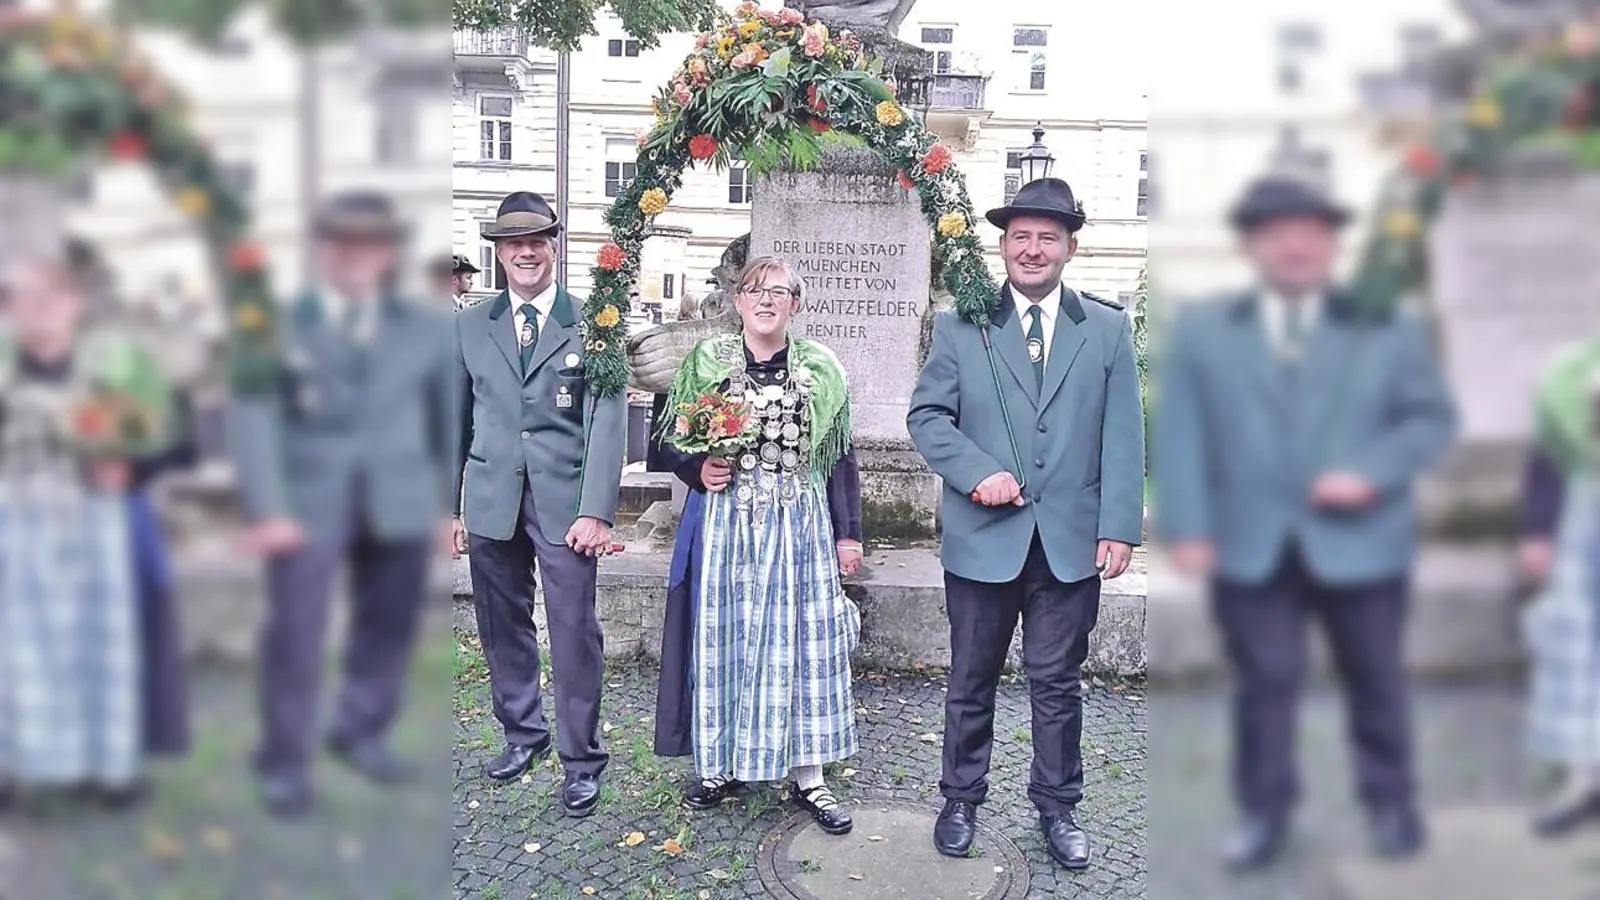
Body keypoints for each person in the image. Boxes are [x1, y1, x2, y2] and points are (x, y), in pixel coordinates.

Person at [1152, 174, 1457, 870]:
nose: (1295, 246)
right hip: (1250, 542)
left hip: (1364, 541)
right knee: (1265, 683)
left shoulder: (1387, 325)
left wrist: (1371, 472)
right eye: (1277, 233)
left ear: (1332, 244)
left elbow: (1430, 420)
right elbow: (1182, 433)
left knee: (1375, 676)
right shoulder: (1204, 331)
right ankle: (1264, 812)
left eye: (1311, 232)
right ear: (1251, 245)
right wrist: (1188, 526)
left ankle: (1390, 801)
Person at [907, 178, 1144, 871]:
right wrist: (976, 471)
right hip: (984, 541)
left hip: (1069, 544)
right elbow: (927, 417)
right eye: (1021, 237)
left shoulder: (1106, 330)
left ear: (1070, 247)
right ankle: (960, 799)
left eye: (1048, 237)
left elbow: (1123, 435)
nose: (1033, 249)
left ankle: (1058, 806)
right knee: (970, 678)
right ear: (1003, 245)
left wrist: (1119, 525)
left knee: (1058, 684)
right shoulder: (961, 326)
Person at [228, 192, 456, 816]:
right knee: (296, 632)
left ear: (388, 253)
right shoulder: (275, 323)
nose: (358, 255)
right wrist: (268, 508)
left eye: (371, 243)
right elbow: (253, 417)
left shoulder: (425, 327)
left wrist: (444, 507)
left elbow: (443, 418)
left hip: (400, 498)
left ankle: (361, 731)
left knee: (388, 625)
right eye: (344, 242)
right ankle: (284, 758)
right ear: (323, 249)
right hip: (307, 503)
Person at [650, 255, 864, 834]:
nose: (766, 300)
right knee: (728, 636)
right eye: (754, 290)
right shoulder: (707, 361)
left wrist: (848, 534)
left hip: (799, 525)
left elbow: (840, 456)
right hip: (729, 524)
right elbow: (665, 438)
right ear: (738, 301)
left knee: (803, 643)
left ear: (795, 303)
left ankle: (808, 775)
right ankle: (721, 766)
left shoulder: (821, 368)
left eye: (779, 291)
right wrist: (697, 469)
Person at [450, 191, 626, 817]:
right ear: (498, 253)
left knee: (574, 630)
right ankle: (523, 733)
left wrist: (596, 510)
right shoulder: (469, 325)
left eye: (536, 242)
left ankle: (581, 759)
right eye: (513, 243)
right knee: (502, 625)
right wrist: (447, 508)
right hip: (491, 498)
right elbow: (453, 419)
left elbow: (607, 420)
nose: (525, 253)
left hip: (566, 505)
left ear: (553, 247)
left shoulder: (596, 322)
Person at [0, 257, 163, 806]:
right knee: (17, 645)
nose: (41, 307)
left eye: (53, 294)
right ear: (10, 309)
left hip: (95, 518)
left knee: (101, 642)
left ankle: (107, 765)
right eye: (24, 296)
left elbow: (162, 435)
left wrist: (129, 465)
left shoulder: (114, 368)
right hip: (19, 516)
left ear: (76, 303)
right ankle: (14, 764)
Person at [1516, 349, 1600, 837]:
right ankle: (1585, 780)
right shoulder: (1577, 371)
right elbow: (1548, 452)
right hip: (1586, 521)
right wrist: (1537, 531)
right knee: (1579, 660)